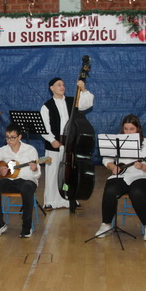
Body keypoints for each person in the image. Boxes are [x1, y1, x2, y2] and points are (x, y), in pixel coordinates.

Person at [94, 115, 146, 241]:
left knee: (136, 192)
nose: (128, 132)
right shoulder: (117, 142)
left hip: (144, 178)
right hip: (123, 176)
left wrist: (143, 167)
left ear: (138, 129)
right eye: (126, 129)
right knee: (110, 190)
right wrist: (112, 167)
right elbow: (106, 159)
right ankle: (106, 224)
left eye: (132, 129)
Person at [40, 76, 94, 210]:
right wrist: (52, 140)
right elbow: (44, 127)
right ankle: (50, 201)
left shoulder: (72, 101)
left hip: (71, 144)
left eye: (63, 85)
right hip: (54, 145)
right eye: (59, 85)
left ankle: (71, 199)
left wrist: (83, 89)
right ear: (51, 88)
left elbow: (87, 104)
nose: (62, 87)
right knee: (53, 172)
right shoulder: (46, 106)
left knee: (70, 173)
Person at [0, 123, 41, 238]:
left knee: (27, 188)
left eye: (12, 138)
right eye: (7, 137)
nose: (9, 140)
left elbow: (38, 175)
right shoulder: (3, 150)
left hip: (28, 181)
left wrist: (35, 169)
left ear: (19, 137)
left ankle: (27, 225)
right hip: (10, 181)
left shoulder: (30, 150)